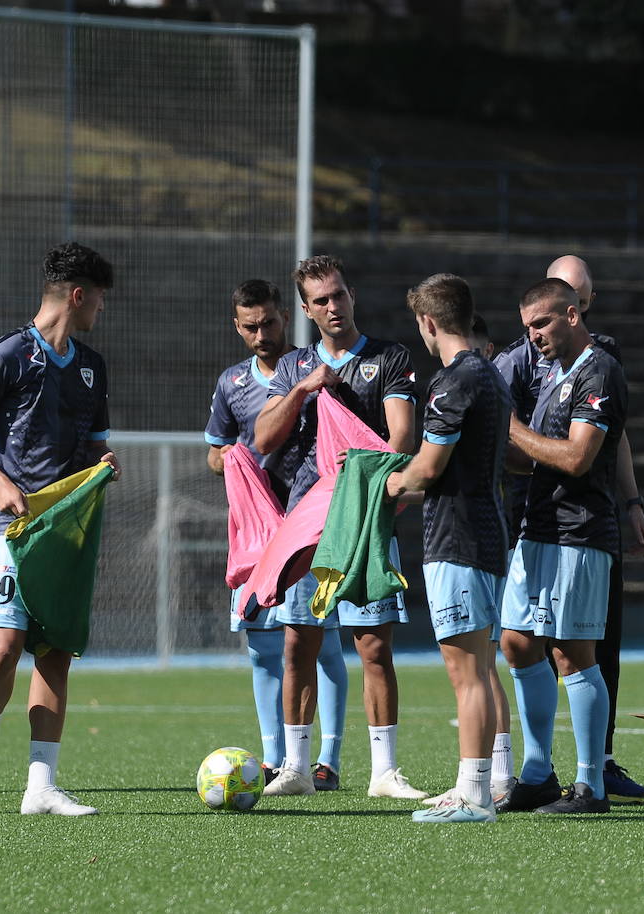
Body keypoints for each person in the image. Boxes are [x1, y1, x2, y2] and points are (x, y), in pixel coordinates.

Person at [0, 242, 119, 817]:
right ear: (77, 295)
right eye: (98, 299)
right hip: (13, 527)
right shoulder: (7, 356)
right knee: (3, 649)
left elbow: (94, 446)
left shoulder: (94, 366)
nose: (100, 310)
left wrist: (104, 467)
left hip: (66, 530)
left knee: (56, 652)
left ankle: (40, 786)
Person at [255, 254, 427, 800]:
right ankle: (297, 769)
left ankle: (384, 772)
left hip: (364, 521)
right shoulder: (291, 366)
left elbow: (401, 439)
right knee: (297, 646)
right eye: (320, 300)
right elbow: (262, 438)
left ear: (351, 294)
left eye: (339, 295)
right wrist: (304, 389)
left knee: (374, 646)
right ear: (305, 309)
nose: (333, 306)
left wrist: (367, 492)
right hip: (306, 526)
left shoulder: (389, 357)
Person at [204, 279, 350, 787]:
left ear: (286, 316)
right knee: (263, 648)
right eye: (250, 326)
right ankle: (274, 757)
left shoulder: (314, 366)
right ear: (237, 326)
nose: (261, 333)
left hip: (310, 521)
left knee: (322, 643)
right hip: (258, 528)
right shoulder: (231, 383)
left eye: (268, 322)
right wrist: (227, 460)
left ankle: (327, 759)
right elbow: (215, 448)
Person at [499, 277, 628, 814]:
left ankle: (590, 783)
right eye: (527, 328)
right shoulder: (554, 374)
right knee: (517, 641)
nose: (533, 337)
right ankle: (536, 773)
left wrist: (509, 426)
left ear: (572, 315)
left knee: (572, 654)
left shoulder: (599, 370)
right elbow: (529, 457)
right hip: (540, 524)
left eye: (541, 324)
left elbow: (576, 458)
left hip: (580, 529)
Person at [387, 274, 512, 823]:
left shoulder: (451, 380)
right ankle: (484, 786)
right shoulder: (491, 374)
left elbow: (429, 467)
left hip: (457, 541)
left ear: (429, 322)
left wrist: (391, 485)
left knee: (466, 675)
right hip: (485, 533)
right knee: (482, 670)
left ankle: (473, 794)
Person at [545, 254, 644, 799]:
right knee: (527, 645)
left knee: (597, 643)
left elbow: (612, 440)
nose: (574, 309)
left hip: (588, 521)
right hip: (534, 523)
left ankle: (599, 764)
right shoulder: (524, 358)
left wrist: (632, 501)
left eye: (582, 300)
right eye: (565, 297)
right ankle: (533, 769)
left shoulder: (601, 359)